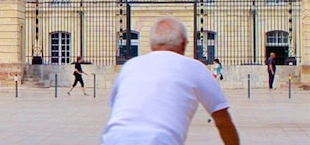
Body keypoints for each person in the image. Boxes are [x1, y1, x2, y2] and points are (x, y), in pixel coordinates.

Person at [101, 18, 240, 145]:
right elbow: (223, 122)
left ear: (151, 44)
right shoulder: (195, 68)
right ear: (184, 43)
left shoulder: (130, 66)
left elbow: (116, 108)